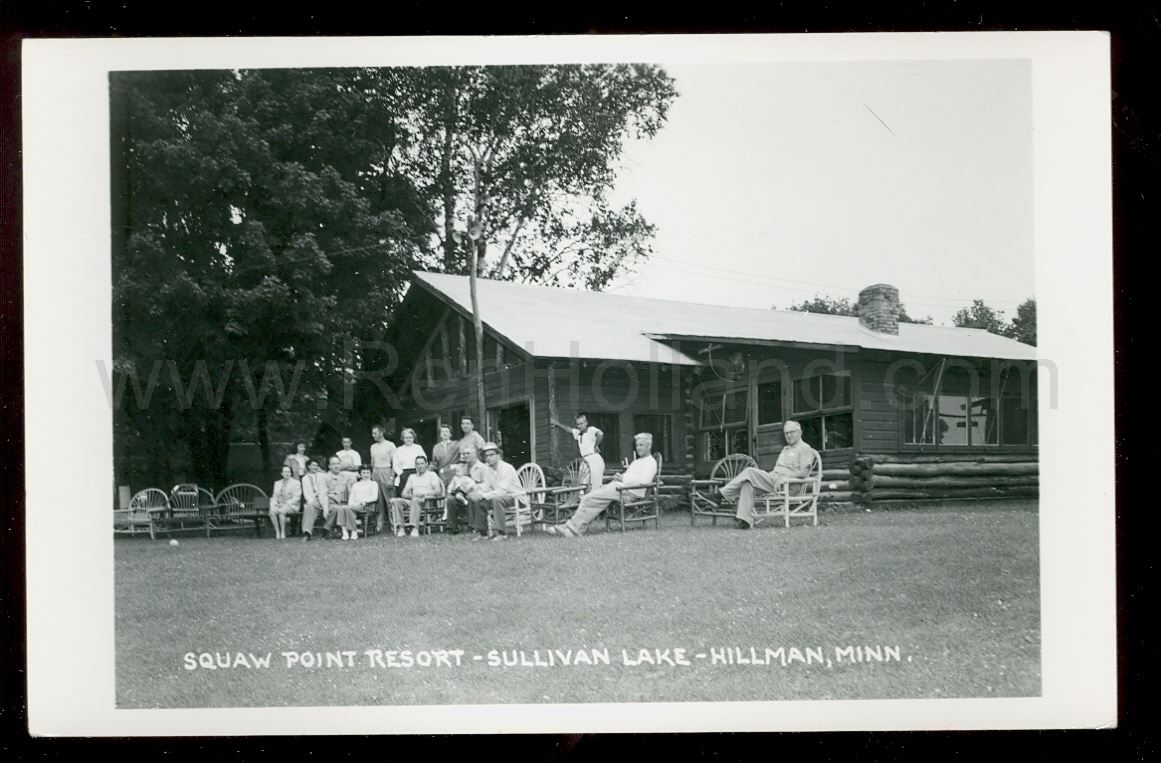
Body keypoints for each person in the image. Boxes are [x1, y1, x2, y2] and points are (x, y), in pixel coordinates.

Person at [546, 432, 657, 538]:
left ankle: (572, 528)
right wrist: (620, 477)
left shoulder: (650, 462)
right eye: (637, 445)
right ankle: (571, 527)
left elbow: (644, 481)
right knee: (588, 498)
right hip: (620, 488)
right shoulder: (637, 462)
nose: (638, 448)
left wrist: (623, 479)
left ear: (649, 446)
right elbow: (630, 477)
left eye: (641, 445)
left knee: (588, 498)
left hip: (630, 493)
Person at [717, 420, 818, 530]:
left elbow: (804, 472)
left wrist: (784, 478)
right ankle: (744, 521)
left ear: (800, 432)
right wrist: (771, 477)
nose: (789, 435)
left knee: (749, 471)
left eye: (792, 432)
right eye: (786, 433)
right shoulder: (786, 449)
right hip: (774, 481)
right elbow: (778, 470)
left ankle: (719, 495)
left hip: (788, 485)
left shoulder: (804, 448)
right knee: (747, 484)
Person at [467, 442, 521, 541]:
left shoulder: (507, 468)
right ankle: (483, 533)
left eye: (491, 455)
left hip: (516, 497)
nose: (488, 458)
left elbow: (502, 490)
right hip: (500, 496)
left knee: (496, 500)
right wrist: (476, 491)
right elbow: (487, 486)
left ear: (498, 456)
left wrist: (483, 495)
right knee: (479, 502)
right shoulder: (489, 469)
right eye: (486, 456)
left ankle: (501, 533)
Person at [388, 455, 444, 537]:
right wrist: (412, 496)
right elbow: (404, 493)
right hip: (413, 500)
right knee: (397, 501)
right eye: (418, 464)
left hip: (426, 501)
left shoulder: (432, 475)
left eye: (422, 463)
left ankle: (414, 528)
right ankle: (401, 528)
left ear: (426, 464)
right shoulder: (412, 477)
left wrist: (424, 494)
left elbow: (438, 491)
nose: (420, 466)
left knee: (415, 500)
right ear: (415, 466)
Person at [390, 428, 426, 535]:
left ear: (414, 437)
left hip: (416, 473)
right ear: (402, 438)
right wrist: (402, 474)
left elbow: (423, 461)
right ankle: (402, 527)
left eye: (410, 437)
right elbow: (395, 465)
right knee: (404, 499)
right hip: (403, 475)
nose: (408, 439)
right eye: (406, 437)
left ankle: (415, 525)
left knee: (416, 498)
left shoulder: (418, 448)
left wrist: (418, 473)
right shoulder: (399, 450)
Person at [447, 445, 488, 535]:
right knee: (450, 499)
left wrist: (475, 487)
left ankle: (474, 527)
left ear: (475, 454)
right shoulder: (462, 467)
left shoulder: (483, 467)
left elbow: (487, 484)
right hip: (462, 493)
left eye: (468, 453)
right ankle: (452, 527)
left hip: (476, 493)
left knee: (472, 497)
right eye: (464, 454)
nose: (465, 455)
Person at [321, 456, 359, 540]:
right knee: (339, 508)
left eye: (338, 463)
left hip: (343, 502)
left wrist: (358, 475)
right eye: (333, 464)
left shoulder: (345, 474)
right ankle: (330, 529)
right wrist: (325, 508)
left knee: (345, 508)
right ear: (329, 466)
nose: (336, 466)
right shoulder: (325, 477)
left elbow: (357, 474)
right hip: (331, 503)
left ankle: (347, 531)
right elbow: (323, 494)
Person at [369, 425, 397, 534]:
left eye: (375, 433)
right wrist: (371, 477)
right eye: (372, 433)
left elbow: (395, 463)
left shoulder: (390, 445)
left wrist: (391, 478)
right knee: (378, 501)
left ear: (381, 433)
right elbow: (372, 463)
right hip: (376, 472)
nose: (373, 435)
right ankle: (379, 526)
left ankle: (394, 524)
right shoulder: (372, 446)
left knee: (390, 500)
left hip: (386, 471)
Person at [570, 413, 605, 491]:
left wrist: (595, 446)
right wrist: (557, 424)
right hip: (585, 460)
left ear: (586, 423)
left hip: (593, 459)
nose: (580, 426)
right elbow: (569, 430)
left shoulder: (591, 430)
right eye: (578, 424)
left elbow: (600, 434)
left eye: (581, 424)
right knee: (583, 483)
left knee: (595, 483)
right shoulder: (578, 433)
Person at [269, 465, 302, 540]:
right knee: (272, 512)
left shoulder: (296, 483)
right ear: (281, 473)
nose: (287, 473)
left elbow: (297, 497)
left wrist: (285, 504)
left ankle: (283, 533)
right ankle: (277, 532)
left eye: (289, 472)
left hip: (291, 505)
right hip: (279, 504)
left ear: (291, 473)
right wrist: (274, 504)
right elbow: (274, 496)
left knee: (281, 511)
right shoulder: (277, 483)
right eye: (285, 472)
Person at [347, 464, 380, 538]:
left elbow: (374, 497)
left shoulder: (373, 484)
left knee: (349, 509)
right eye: (364, 473)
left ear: (371, 473)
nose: (366, 475)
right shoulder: (356, 485)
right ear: (360, 473)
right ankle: (353, 531)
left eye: (368, 473)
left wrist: (364, 501)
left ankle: (353, 531)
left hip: (367, 506)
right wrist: (350, 504)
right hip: (355, 505)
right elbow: (351, 498)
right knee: (347, 509)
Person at [300, 459, 328, 541]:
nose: (315, 467)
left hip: (324, 498)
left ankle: (327, 532)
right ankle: (307, 533)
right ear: (308, 466)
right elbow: (306, 493)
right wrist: (311, 501)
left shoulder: (323, 476)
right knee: (309, 508)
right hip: (313, 500)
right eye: (313, 465)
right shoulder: (305, 478)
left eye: (316, 465)